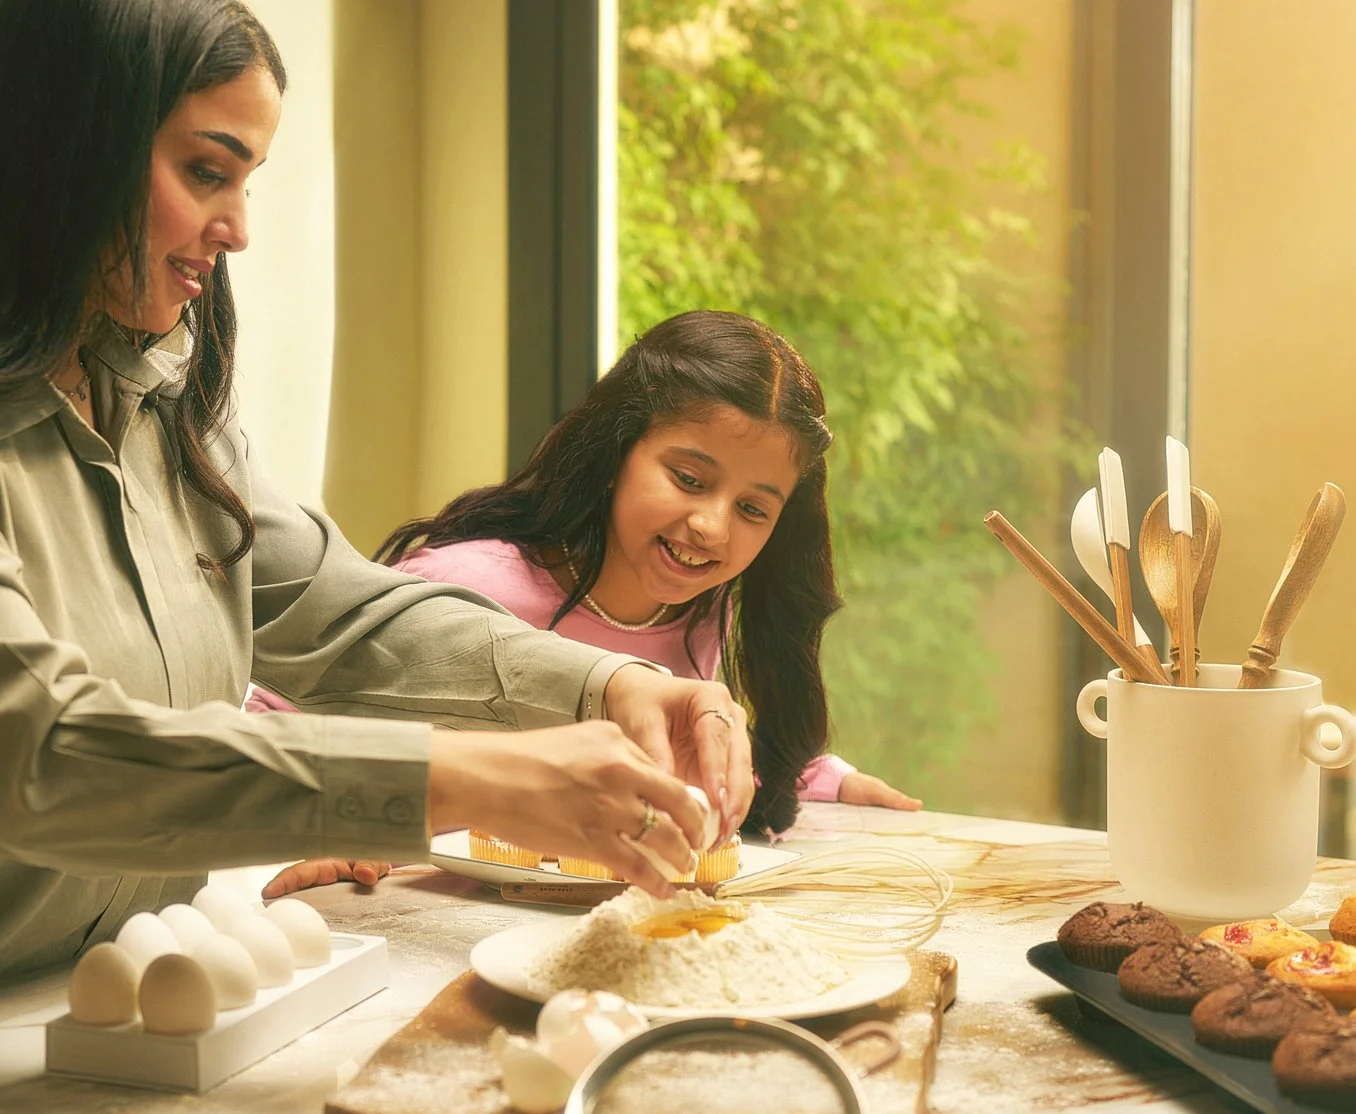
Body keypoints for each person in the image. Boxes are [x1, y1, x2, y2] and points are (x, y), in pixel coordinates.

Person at [0, 0, 747, 986]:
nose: (235, 228)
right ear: (62, 153)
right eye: (204, 172)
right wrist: (468, 780)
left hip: (86, 1019)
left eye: (246, 182)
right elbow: (43, 758)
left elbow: (345, 618)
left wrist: (610, 686)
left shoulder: (151, 398)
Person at [261, 312, 918, 898]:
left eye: (752, 508)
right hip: (420, 926)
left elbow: (684, 751)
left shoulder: (701, 617)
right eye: (688, 479)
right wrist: (339, 817)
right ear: (615, 453)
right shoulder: (467, 581)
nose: (712, 527)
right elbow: (271, 720)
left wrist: (818, 776)